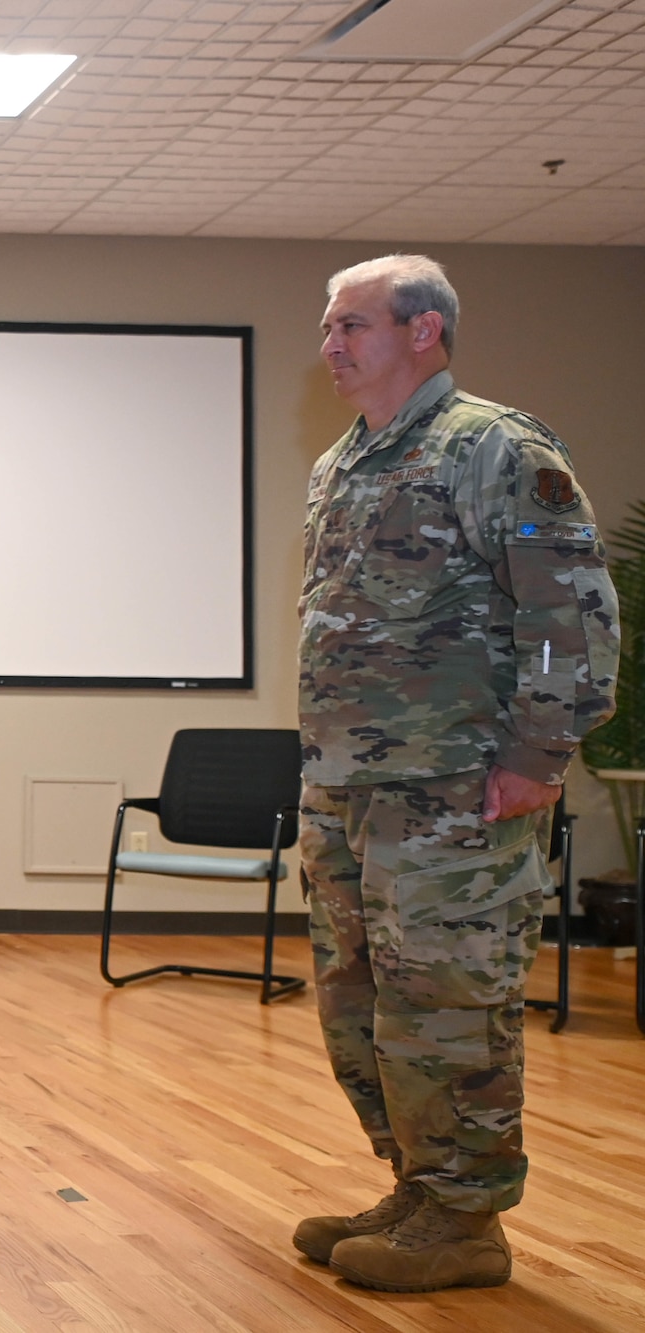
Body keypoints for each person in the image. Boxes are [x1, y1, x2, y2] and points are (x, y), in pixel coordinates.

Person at [293, 254, 619, 1292]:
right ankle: (417, 1187)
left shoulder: (494, 448)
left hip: (454, 789)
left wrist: (537, 754)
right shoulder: (339, 463)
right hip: (347, 787)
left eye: (351, 325)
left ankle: (466, 1217)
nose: (330, 345)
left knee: (447, 1002)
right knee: (358, 1006)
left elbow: (569, 607)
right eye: (327, 327)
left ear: (421, 330)